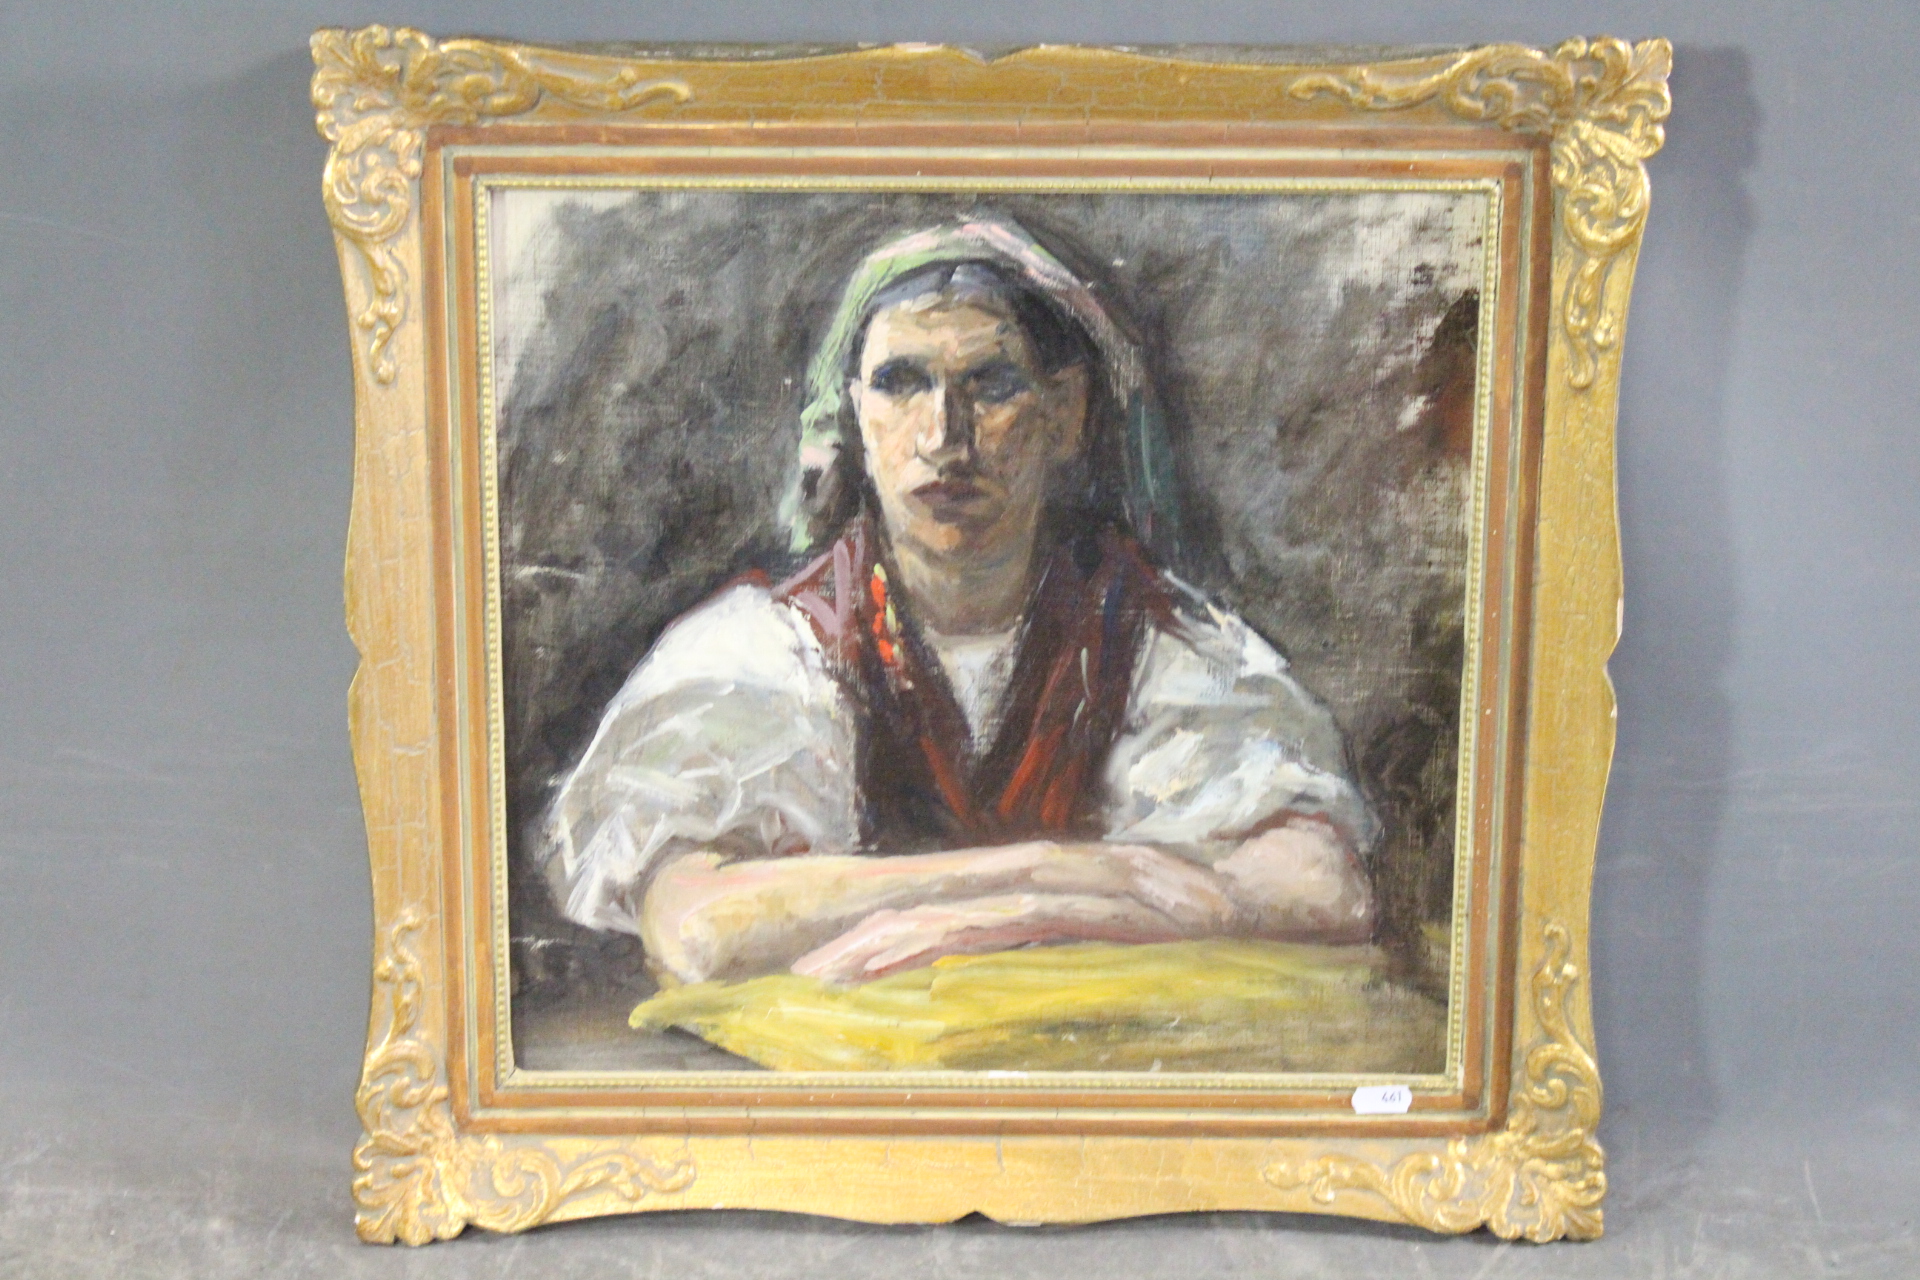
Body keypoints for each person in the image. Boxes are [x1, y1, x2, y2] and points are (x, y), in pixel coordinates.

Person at [539, 217, 1377, 989]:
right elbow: (698, 927)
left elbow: (1324, 890)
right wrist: (1069, 880)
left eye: (991, 383)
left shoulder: (1156, 637)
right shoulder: (770, 645)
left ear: (1066, 415)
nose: (945, 436)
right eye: (901, 383)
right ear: (855, 416)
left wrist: (983, 912)